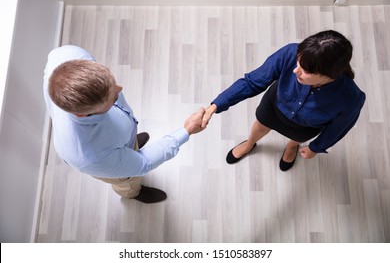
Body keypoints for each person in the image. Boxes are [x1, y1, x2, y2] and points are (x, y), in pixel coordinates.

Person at [43, 45, 205, 203]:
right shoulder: (93, 157)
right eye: (112, 99)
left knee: (127, 147)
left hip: (114, 144)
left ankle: (128, 148)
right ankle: (133, 193)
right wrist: (187, 130)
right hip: (108, 160)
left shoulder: (68, 54)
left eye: (112, 83)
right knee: (128, 180)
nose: (120, 89)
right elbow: (144, 163)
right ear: (83, 114)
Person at [202, 30, 365, 171]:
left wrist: (315, 148)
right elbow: (253, 81)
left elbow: (337, 129)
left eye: (305, 70)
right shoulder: (290, 52)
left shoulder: (351, 99)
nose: (295, 71)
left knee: (297, 139)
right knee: (259, 126)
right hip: (274, 107)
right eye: (298, 63)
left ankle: (292, 146)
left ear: (329, 75)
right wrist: (215, 106)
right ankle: (249, 143)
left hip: (304, 127)